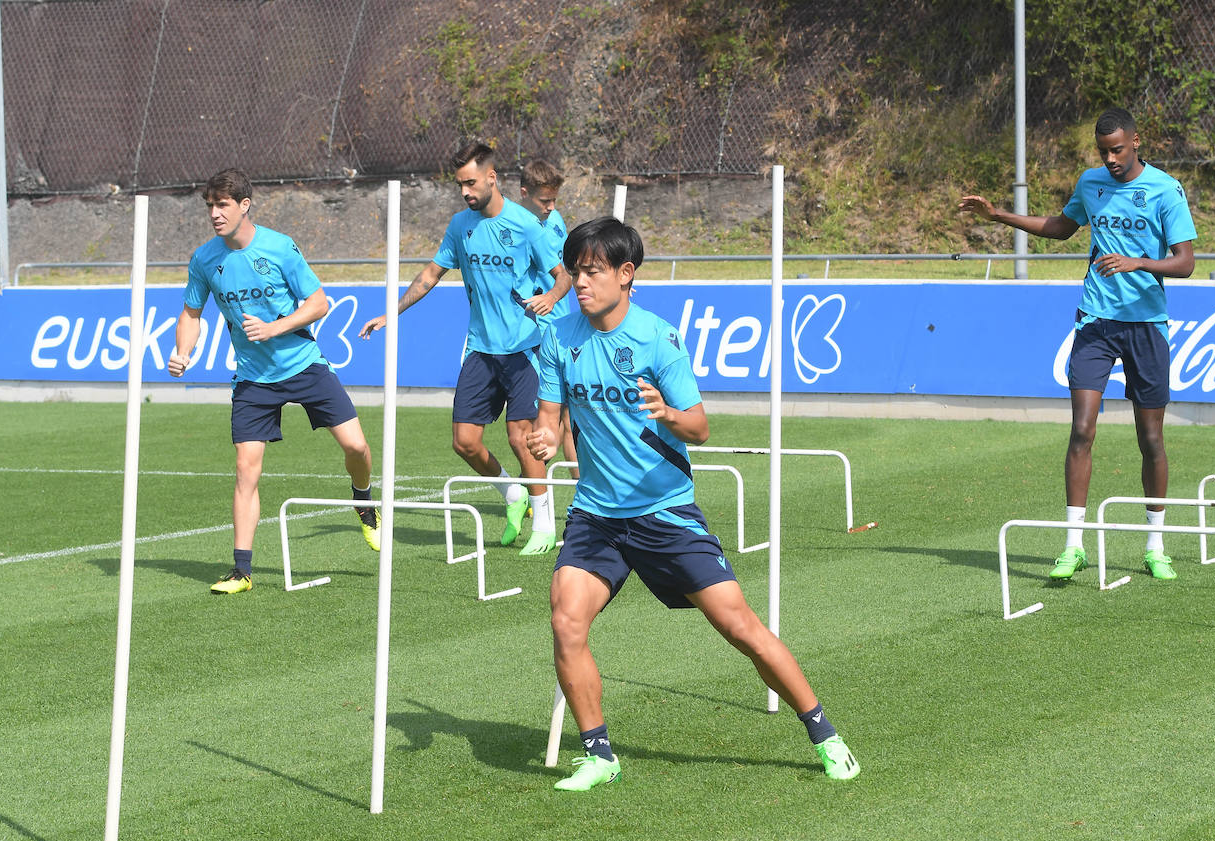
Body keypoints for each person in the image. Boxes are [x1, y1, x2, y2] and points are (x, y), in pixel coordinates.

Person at [526, 217, 860, 791]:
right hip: (596, 515)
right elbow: (550, 423)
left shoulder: (658, 339)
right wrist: (543, 440)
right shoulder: (560, 333)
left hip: (665, 513)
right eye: (576, 271)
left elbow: (700, 428)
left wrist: (668, 415)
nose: (579, 283)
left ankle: (825, 734)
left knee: (740, 627)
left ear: (626, 275)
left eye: (592, 271)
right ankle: (599, 754)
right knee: (566, 619)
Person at [960, 107, 1196, 582]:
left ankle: (1155, 546)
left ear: (1135, 142)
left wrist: (1138, 263)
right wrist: (999, 215)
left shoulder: (1165, 191)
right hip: (1094, 322)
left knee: (1150, 439)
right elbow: (1062, 227)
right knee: (1082, 430)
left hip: (1147, 325)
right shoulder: (1091, 184)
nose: (1110, 159)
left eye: (1118, 150)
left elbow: (1185, 263)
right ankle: (1073, 545)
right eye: (1103, 151)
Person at [170, 168, 380, 595]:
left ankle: (363, 501)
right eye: (209, 205)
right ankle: (242, 572)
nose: (214, 213)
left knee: (357, 447)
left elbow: (319, 303)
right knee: (246, 470)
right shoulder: (204, 259)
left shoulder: (280, 248)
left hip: (304, 364)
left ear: (244, 206)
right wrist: (183, 352)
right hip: (253, 379)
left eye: (222, 205)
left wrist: (276, 327)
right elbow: (192, 312)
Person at [359, 142, 571, 555]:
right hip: (481, 350)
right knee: (464, 442)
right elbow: (431, 273)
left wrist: (551, 297)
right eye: (460, 184)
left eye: (470, 183)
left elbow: (562, 276)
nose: (464, 192)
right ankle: (512, 493)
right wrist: (392, 311)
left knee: (521, 436)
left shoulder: (526, 225)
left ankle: (545, 525)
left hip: (526, 348)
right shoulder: (461, 226)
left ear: (492, 178)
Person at [516, 158, 579, 477]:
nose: (551, 207)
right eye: (544, 201)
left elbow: (570, 265)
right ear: (524, 193)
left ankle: (585, 499)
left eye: (554, 200)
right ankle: (534, 491)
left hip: (562, 329)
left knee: (573, 418)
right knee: (538, 422)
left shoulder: (555, 220)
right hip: (528, 338)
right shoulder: (506, 226)